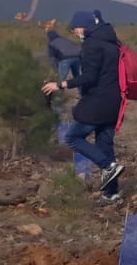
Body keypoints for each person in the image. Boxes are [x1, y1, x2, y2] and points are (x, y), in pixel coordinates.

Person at [39, 11, 124, 204]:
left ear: (84, 26)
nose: (75, 32)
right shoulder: (112, 42)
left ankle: (108, 167)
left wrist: (60, 85)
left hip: (98, 100)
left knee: (73, 137)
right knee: (104, 144)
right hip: (115, 100)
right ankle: (112, 194)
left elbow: (90, 76)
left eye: (76, 28)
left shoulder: (92, 45)